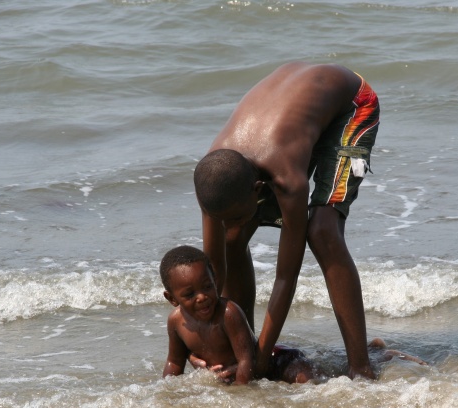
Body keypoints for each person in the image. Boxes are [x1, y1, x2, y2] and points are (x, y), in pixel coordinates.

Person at [193, 62, 380, 380]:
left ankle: (362, 366)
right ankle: (245, 344)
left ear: (258, 189)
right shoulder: (213, 177)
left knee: (323, 231)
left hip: (355, 108)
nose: (234, 222)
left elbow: (285, 278)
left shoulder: (287, 179)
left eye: (238, 215)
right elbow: (214, 272)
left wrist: (262, 359)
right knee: (231, 240)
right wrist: (211, 346)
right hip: (296, 114)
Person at [160, 245, 314, 384]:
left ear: (215, 279)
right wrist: (166, 393)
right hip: (238, 373)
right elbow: (174, 362)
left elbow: (246, 361)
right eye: (189, 294)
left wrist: (239, 393)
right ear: (172, 298)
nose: (201, 297)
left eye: (207, 286)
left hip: (276, 362)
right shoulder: (175, 321)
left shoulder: (228, 313)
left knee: (305, 380)